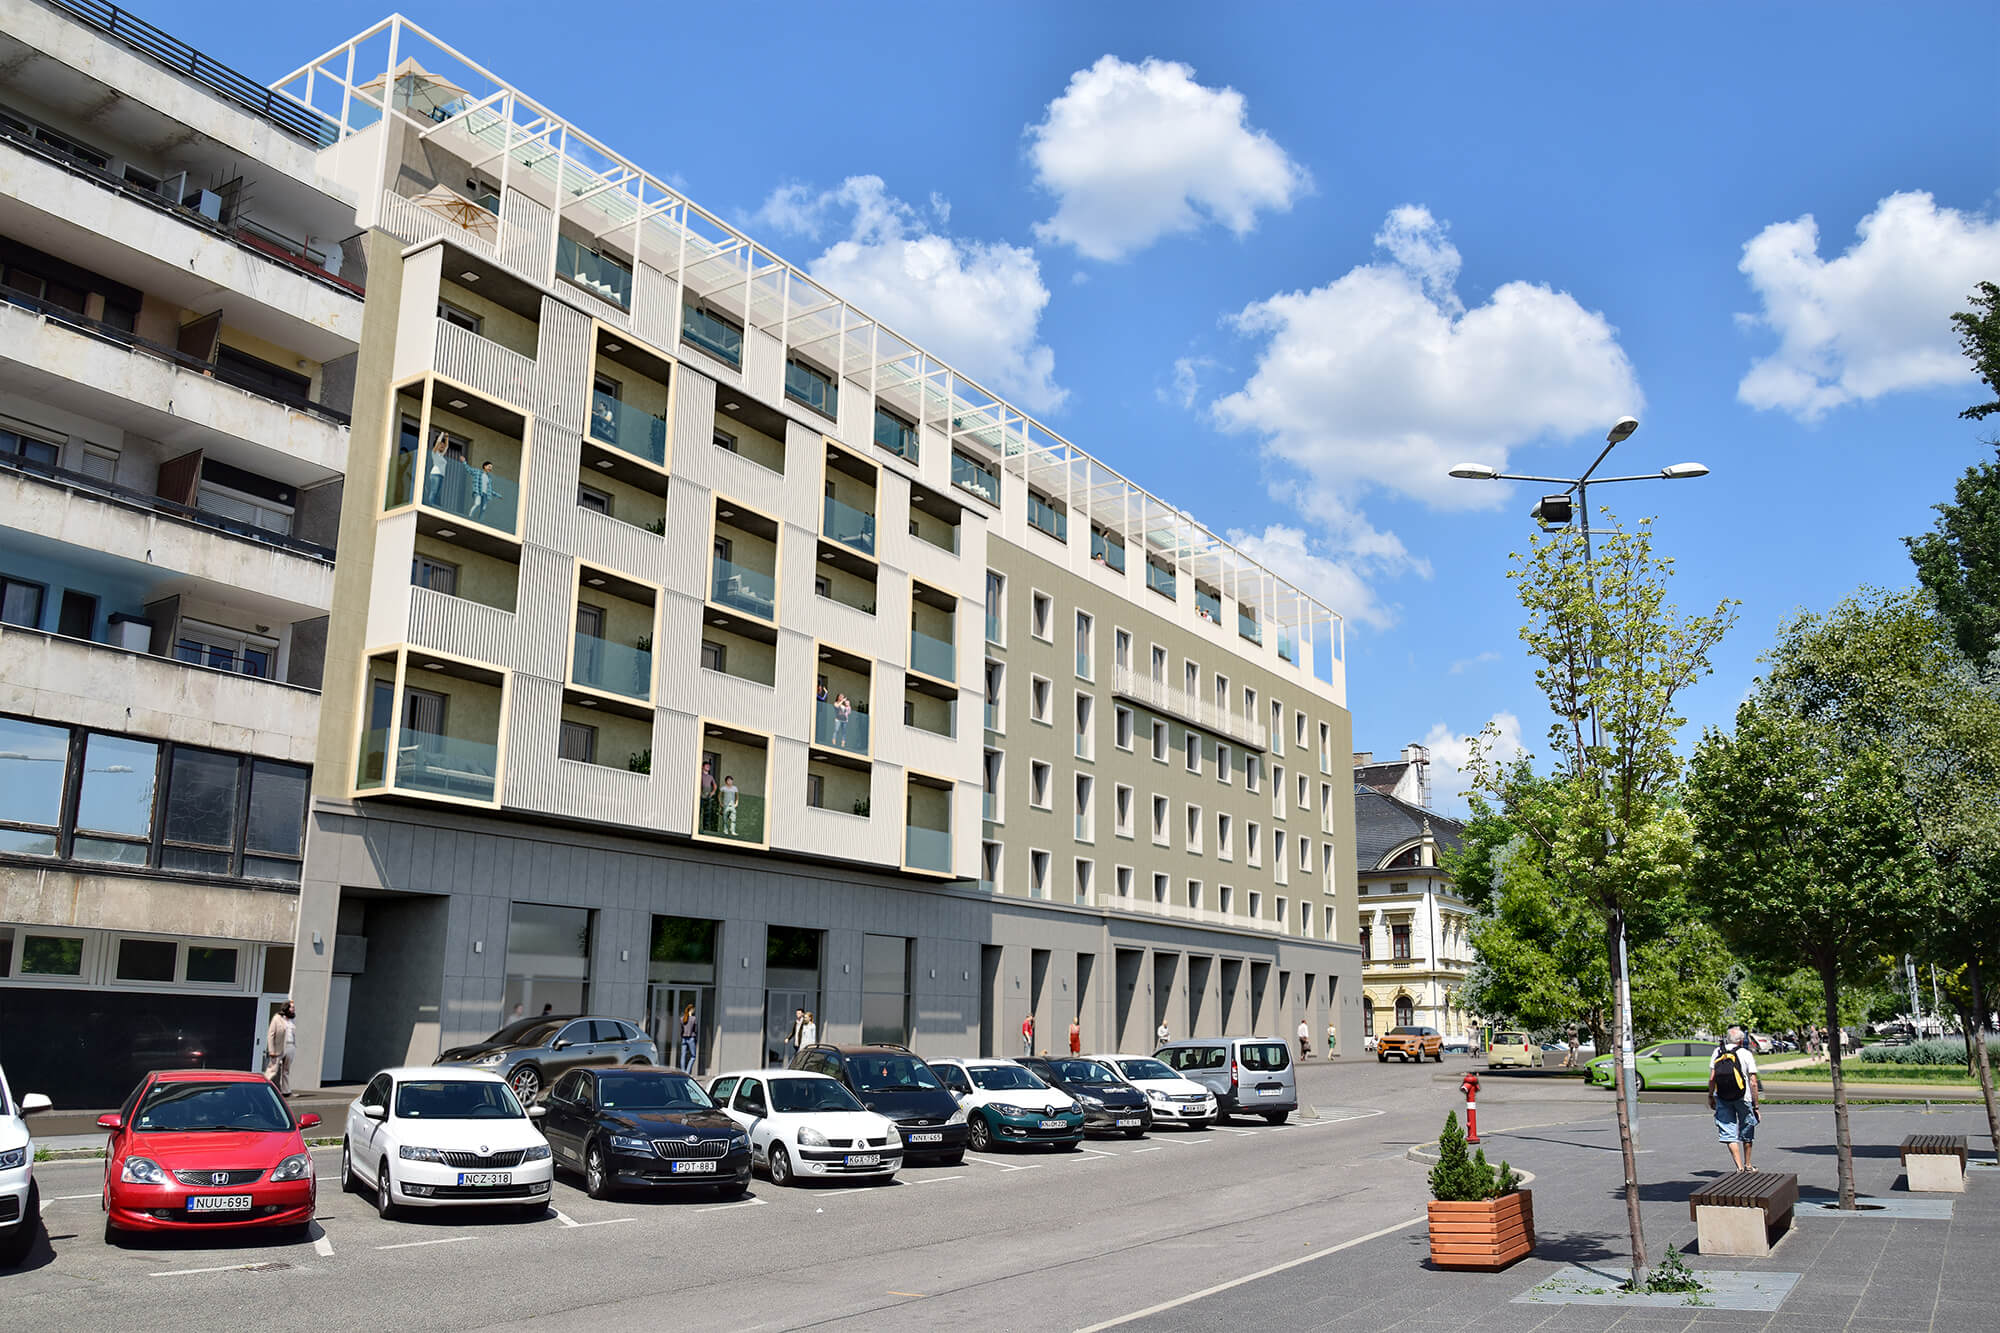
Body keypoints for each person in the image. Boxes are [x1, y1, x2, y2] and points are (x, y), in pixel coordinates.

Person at [1707, 1024, 1761, 1170]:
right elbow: (1753, 1082)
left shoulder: (1717, 1052)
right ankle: (1748, 1165)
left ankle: (1739, 1167)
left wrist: (1710, 1095)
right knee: (1747, 1128)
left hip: (1722, 1096)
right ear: (1741, 1040)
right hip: (1744, 1097)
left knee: (1728, 1131)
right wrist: (1756, 1106)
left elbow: (1712, 1078)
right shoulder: (1746, 1053)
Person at [264, 1000, 296, 1096]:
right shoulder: (277, 1018)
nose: (293, 1009)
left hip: (290, 1046)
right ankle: (263, 1086)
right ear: (286, 1008)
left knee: (286, 1071)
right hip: (279, 1047)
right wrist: (271, 1050)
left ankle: (286, 1091)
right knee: (273, 1069)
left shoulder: (292, 1020)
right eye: (292, 1007)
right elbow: (271, 1034)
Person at [422, 432, 451, 506]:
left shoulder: (441, 455)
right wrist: (441, 435)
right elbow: (437, 442)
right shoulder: (434, 453)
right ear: (437, 446)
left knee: (437, 493)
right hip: (435, 474)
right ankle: (430, 505)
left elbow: (447, 446)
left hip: (441, 476)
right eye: (441, 444)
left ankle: (434, 505)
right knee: (434, 491)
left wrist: (447, 438)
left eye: (443, 445)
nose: (442, 446)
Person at [678, 1003, 699, 1072]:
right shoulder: (694, 1018)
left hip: (684, 1038)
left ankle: (683, 1071)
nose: (694, 1011)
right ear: (691, 1009)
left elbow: (681, 1030)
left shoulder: (682, 1018)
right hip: (691, 1038)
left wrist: (682, 1036)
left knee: (683, 1055)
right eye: (693, 1009)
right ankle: (687, 1071)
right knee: (693, 1056)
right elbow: (695, 1030)